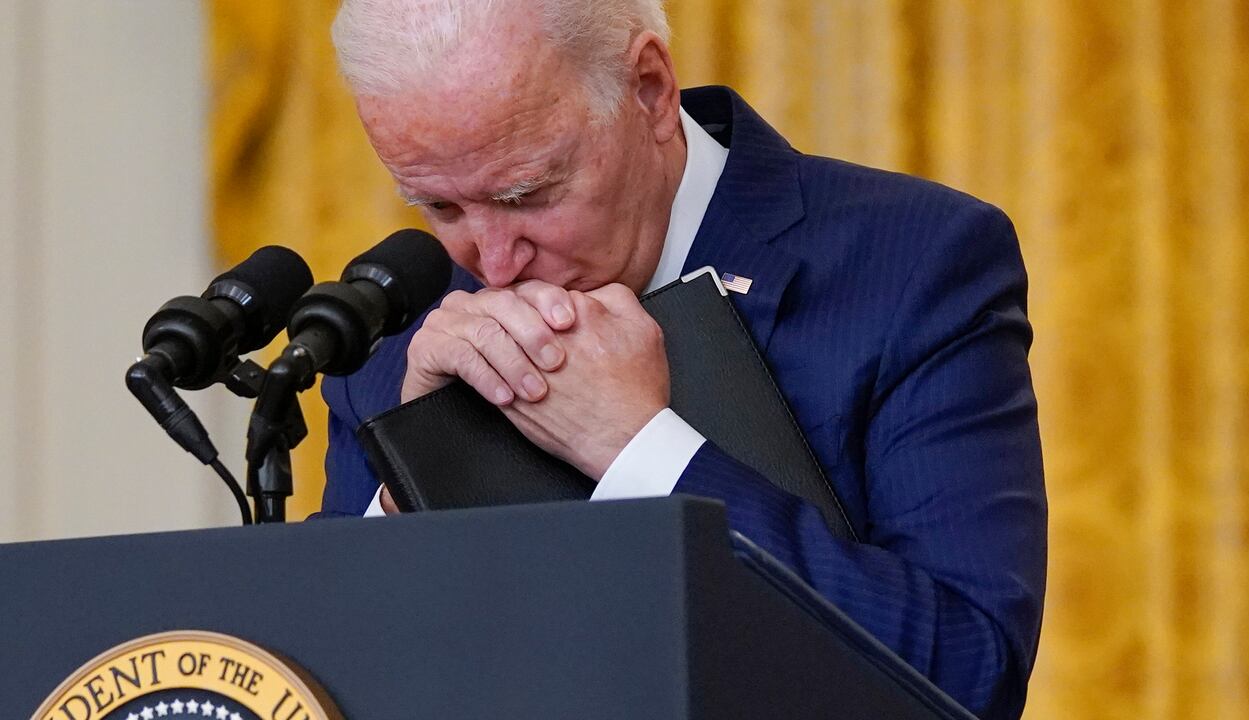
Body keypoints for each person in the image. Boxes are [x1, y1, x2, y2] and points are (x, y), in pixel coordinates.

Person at [320, 1, 1047, 717]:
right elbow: (313, 682)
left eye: (528, 194)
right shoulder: (393, 331)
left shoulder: (914, 264)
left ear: (650, 91)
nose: (495, 265)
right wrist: (415, 476)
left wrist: (641, 448)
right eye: (440, 209)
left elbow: (966, 680)